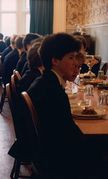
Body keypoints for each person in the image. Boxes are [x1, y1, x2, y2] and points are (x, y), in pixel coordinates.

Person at [27, 33, 106, 178]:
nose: (76, 63)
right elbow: (68, 137)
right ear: (55, 60)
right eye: (70, 57)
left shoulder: (46, 82)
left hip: (48, 153)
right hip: (59, 160)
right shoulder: (52, 91)